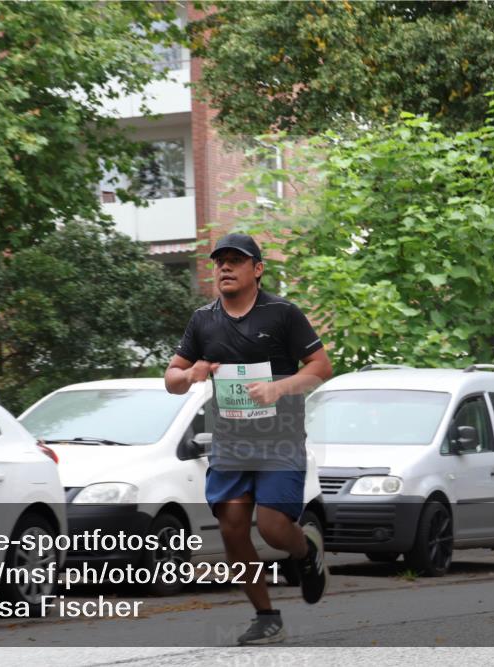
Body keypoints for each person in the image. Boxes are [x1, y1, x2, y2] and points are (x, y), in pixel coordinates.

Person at [164, 233, 333, 645]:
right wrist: (190, 374)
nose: (224, 267)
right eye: (219, 260)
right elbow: (172, 379)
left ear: (257, 269)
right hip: (230, 443)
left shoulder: (282, 314)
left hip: (279, 440)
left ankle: (306, 553)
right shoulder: (203, 320)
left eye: (235, 260)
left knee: (275, 529)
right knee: (233, 529)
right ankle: (265, 615)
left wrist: (281, 387)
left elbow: (321, 367)